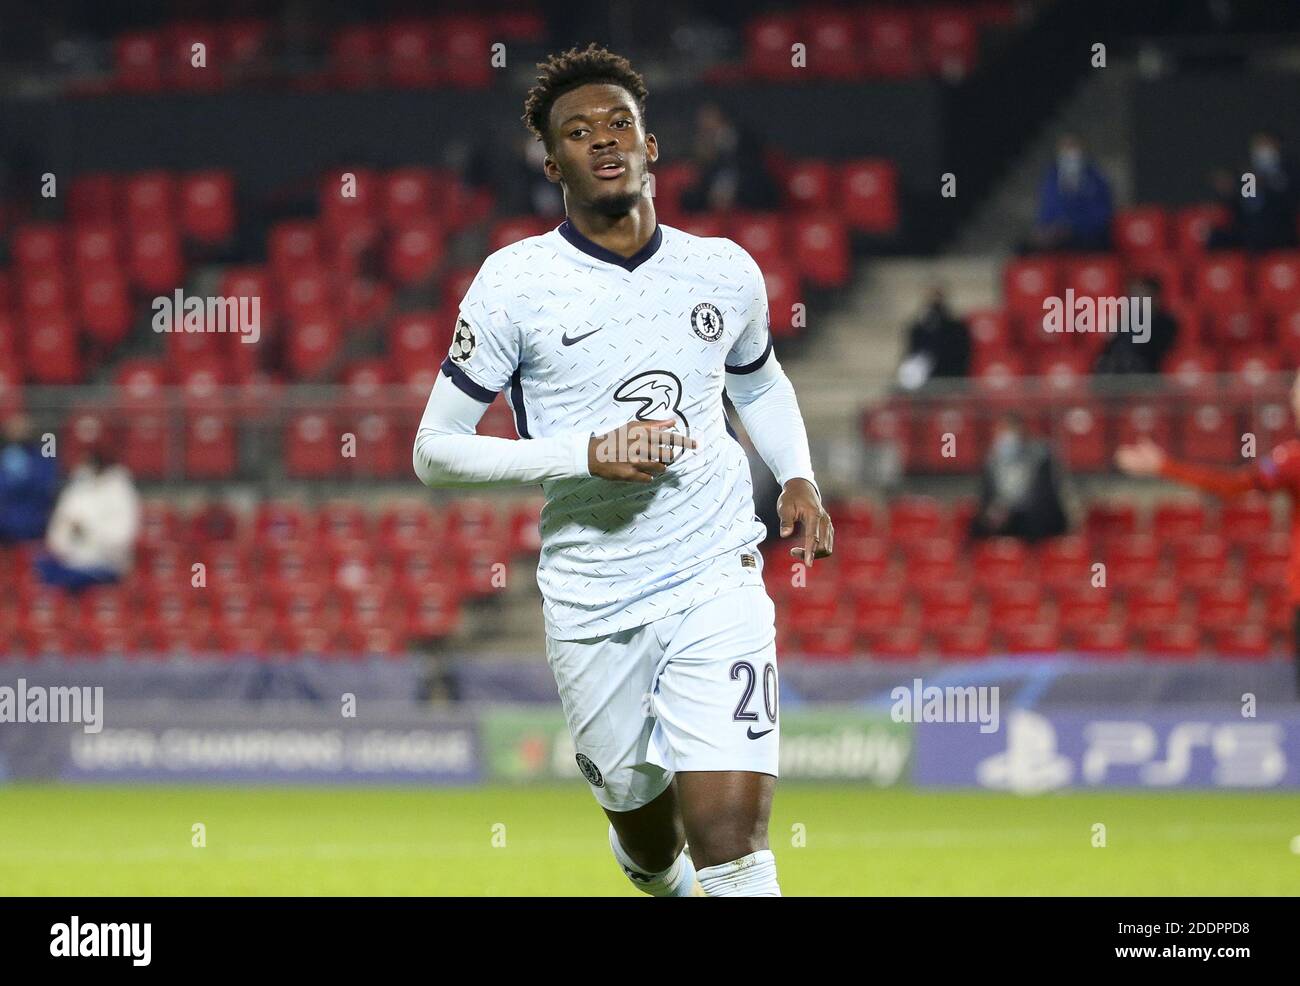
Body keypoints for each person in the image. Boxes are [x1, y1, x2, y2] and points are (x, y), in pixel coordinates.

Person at [413, 45, 831, 897]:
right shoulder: (515, 285)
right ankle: (658, 872)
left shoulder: (723, 270)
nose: (603, 140)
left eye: (619, 124)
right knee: (648, 841)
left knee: (734, 845)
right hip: (593, 596)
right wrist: (586, 452)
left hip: (716, 575)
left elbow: (759, 377)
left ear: (651, 148)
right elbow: (435, 450)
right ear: (552, 160)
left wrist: (797, 473)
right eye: (578, 131)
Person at [1116, 370, 1300, 693]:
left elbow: (1231, 486)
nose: (1294, 402)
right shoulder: (1289, 460)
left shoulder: (1292, 459)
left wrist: (1164, 466)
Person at [36, 446, 141, 592]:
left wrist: (87, 530)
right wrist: (68, 545)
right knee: (38, 571)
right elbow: (56, 534)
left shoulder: (121, 492)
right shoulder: (75, 490)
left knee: (65, 580)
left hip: (107, 566)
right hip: (70, 563)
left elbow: (123, 538)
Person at [970, 414, 1069, 542]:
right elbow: (987, 496)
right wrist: (994, 511)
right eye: (1001, 431)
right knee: (979, 527)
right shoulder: (992, 460)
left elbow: (1045, 496)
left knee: (1033, 522)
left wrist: (1011, 508)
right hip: (1003, 517)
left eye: (1008, 430)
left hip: (1035, 515)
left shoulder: (1041, 456)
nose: (1004, 437)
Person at [680, 102, 780, 213]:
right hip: (713, 190)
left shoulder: (743, 136)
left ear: (720, 117)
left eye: (708, 118)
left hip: (746, 187)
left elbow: (750, 162)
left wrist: (718, 145)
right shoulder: (703, 144)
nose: (704, 124)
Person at [1208, 130, 1298, 251]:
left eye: (1265, 144)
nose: (1261, 150)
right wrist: (1230, 194)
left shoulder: (1289, 170)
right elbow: (1248, 206)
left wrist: (1267, 184)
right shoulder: (1249, 175)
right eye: (1257, 146)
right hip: (1253, 229)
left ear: (1277, 145)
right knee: (1215, 237)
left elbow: (1289, 199)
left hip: (1279, 227)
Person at [1026, 134, 1113, 253]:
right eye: (1065, 148)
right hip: (1055, 236)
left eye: (1072, 147)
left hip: (1088, 235)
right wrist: (1045, 228)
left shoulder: (1096, 179)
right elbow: (1046, 210)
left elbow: (1102, 215)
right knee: (1025, 248)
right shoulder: (1051, 178)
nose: (1069, 152)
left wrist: (1072, 227)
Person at [1093, 276, 1180, 376]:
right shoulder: (1123, 325)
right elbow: (1107, 355)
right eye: (1132, 296)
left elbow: (1157, 355)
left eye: (1141, 296)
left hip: (1149, 379)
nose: (1135, 301)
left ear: (1155, 298)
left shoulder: (1165, 324)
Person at [895, 286, 971, 390]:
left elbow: (961, 354)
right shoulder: (918, 328)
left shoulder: (956, 328)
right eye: (930, 297)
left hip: (948, 375)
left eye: (936, 297)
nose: (934, 301)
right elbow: (912, 353)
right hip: (922, 378)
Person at [0, 413, 58, 544]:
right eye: (13, 423)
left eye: (22, 423)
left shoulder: (44, 457)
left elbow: (45, 488)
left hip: (34, 528)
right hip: (4, 532)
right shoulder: (4, 458)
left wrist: (21, 479)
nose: (19, 428)